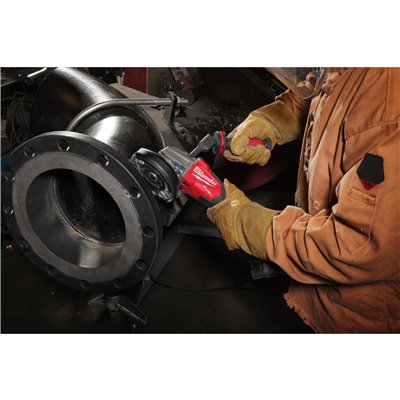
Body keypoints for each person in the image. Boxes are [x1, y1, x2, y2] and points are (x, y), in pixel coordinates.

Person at [207, 68, 400, 333]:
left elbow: (357, 246)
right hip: (318, 287)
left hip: (360, 317)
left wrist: (247, 223)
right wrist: (273, 120)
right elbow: (324, 87)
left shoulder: (391, 112)